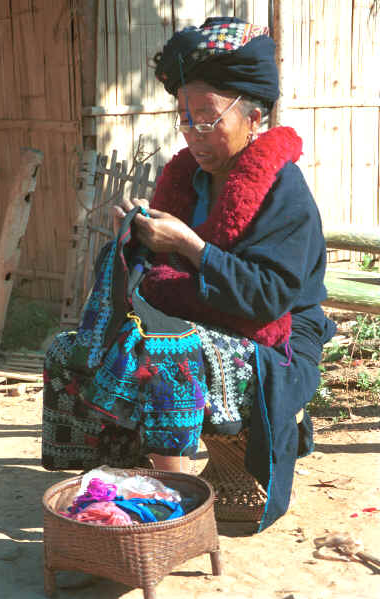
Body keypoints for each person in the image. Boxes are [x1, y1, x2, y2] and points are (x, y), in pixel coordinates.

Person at [42, 17, 336, 531]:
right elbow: (157, 276)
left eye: (206, 118)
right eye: (184, 118)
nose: (192, 133)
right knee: (68, 352)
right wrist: (136, 239)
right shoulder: (187, 178)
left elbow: (267, 300)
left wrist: (193, 248)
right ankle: (112, 479)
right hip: (196, 319)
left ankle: (169, 512)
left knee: (165, 355)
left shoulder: (286, 194)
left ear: (254, 118)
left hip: (277, 341)